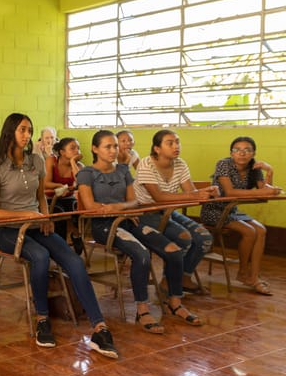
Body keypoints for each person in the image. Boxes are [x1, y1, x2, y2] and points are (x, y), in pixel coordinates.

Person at [0, 113, 118, 358]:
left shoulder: (35, 160)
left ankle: (99, 327)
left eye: (29, 130)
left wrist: (44, 216)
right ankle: (42, 319)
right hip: (7, 231)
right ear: (9, 132)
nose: (27, 135)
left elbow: (39, 198)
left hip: (36, 225)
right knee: (41, 256)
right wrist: (28, 215)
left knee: (74, 260)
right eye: (22, 130)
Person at [78, 130, 202, 333]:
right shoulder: (86, 173)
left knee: (174, 251)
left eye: (115, 146)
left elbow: (135, 201)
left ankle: (175, 301)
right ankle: (142, 309)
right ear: (95, 149)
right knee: (142, 255)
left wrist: (119, 207)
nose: (113, 150)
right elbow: (91, 206)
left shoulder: (123, 171)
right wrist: (122, 208)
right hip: (105, 226)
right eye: (107, 146)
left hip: (129, 220)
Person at [134, 129, 218, 293]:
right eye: (170, 143)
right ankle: (168, 281)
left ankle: (184, 278)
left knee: (204, 237)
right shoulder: (146, 164)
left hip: (168, 211)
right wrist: (193, 195)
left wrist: (208, 192)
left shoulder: (180, 163)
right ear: (157, 148)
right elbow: (158, 197)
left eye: (177, 142)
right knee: (184, 238)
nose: (176, 146)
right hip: (146, 213)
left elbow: (191, 193)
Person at [200, 136, 281, 295]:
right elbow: (229, 192)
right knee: (250, 232)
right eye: (237, 150)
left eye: (247, 150)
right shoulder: (223, 164)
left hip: (232, 210)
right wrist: (261, 191)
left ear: (253, 153)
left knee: (261, 230)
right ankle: (243, 274)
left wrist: (269, 171)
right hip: (214, 210)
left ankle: (254, 276)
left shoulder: (255, 168)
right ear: (231, 153)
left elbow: (264, 194)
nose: (242, 153)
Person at [44, 137, 84, 253]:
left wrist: (72, 162)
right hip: (51, 198)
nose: (77, 151)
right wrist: (61, 186)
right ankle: (60, 246)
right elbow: (46, 183)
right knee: (58, 213)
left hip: (69, 198)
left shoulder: (79, 166)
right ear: (62, 152)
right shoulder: (51, 161)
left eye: (78, 148)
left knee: (77, 209)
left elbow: (81, 183)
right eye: (72, 148)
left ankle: (76, 235)